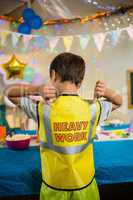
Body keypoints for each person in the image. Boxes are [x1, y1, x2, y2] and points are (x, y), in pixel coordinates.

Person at [6, 52, 122, 200]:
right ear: (80, 82)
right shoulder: (92, 108)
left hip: (54, 188)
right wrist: (106, 92)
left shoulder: (43, 108)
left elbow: (9, 93)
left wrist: (36, 89)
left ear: (53, 75)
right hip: (85, 187)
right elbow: (119, 102)